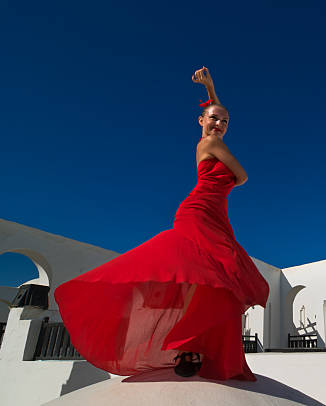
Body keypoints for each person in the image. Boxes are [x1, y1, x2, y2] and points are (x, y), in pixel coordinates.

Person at [54, 66, 269, 381]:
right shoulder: (211, 144)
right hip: (199, 211)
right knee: (223, 275)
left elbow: (215, 114)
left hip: (217, 216)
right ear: (201, 122)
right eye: (214, 119)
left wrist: (210, 89)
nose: (220, 123)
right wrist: (235, 175)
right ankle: (188, 343)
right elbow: (244, 176)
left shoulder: (210, 139)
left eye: (225, 121)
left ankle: (192, 344)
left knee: (215, 277)